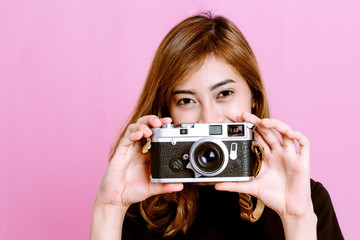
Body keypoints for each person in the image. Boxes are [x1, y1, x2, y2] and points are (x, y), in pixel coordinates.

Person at [90, 13, 343, 240]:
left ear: (254, 97)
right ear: (168, 112)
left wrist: (297, 218)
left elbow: (300, 213)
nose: (208, 118)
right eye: (187, 100)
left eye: (224, 93)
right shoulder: (142, 207)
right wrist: (109, 208)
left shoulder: (307, 199)